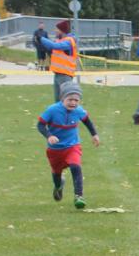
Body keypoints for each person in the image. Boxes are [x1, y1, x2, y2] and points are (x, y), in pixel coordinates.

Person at [38, 81, 100, 210]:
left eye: (76, 100)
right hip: (55, 149)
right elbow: (40, 125)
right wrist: (49, 136)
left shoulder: (79, 111)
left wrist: (94, 134)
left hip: (72, 146)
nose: (73, 103)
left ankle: (79, 196)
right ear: (62, 98)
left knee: (75, 166)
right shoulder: (52, 110)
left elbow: (87, 122)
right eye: (70, 99)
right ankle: (58, 185)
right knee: (56, 174)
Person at [40, 19, 79, 104]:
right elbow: (52, 48)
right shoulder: (61, 40)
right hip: (58, 74)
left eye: (56, 29)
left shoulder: (68, 41)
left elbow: (55, 46)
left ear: (62, 30)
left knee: (65, 101)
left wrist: (41, 38)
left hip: (65, 75)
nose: (55, 30)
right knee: (58, 102)